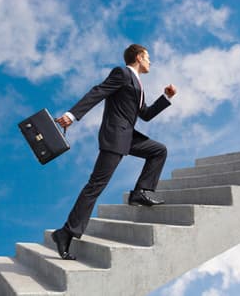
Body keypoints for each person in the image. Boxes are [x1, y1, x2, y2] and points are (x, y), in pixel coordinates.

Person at [52, 44, 177, 260]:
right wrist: (72, 115)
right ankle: (65, 233)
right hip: (115, 137)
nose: (150, 61)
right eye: (148, 57)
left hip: (128, 137)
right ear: (138, 57)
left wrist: (165, 98)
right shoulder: (121, 73)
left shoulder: (138, 84)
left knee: (159, 151)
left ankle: (139, 192)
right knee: (95, 186)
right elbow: (98, 92)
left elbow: (145, 114)